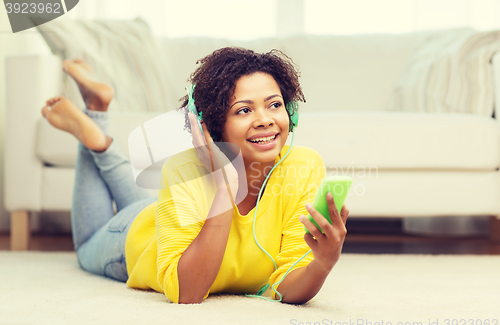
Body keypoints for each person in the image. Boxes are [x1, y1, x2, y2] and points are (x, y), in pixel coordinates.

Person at [41, 47, 349, 305]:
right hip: (133, 236)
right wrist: (225, 185)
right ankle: (95, 131)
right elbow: (188, 292)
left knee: (144, 200)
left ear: (291, 112)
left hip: (159, 207)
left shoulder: (303, 166)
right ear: (211, 124)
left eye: (275, 104)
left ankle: (98, 122)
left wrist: (322, 263)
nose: (265, 120)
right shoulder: (184, 169)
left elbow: (287, 284)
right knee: (84, 248)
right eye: (244, 110)